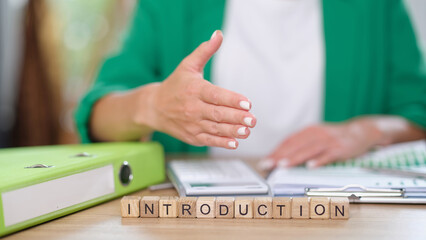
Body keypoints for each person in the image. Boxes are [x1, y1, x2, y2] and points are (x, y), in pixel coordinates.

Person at [75, 0, 426, 169]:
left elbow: (417, 113)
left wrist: (364, 131)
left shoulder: (379, 7)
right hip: (194, 221)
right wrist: (152, 105)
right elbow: (97, 114)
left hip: (340, 219)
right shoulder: (169, 5)